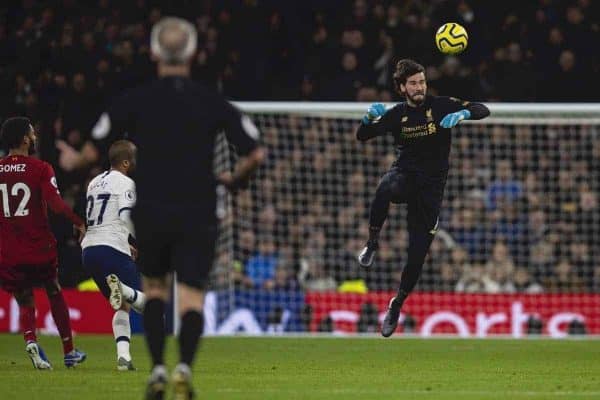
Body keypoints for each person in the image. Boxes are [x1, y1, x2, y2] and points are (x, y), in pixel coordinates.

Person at [89, 17, 265, 400]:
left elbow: (94, 140)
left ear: (154, 52)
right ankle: (184, 366)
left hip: (151, 208)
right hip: (198, 209)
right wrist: (235, 179)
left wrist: (71, 158)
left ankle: (156, 369)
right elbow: (255, 151)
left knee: (153, 291)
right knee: (191, 297)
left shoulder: (136, 99)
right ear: (192, 53)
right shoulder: (210, 100)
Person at [356, 59, 490, 337]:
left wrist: (464, 115)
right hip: (405, 178)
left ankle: (397, 304)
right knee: (385, 187)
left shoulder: (440, 106)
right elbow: (363, 135)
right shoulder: (396, 115)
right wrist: (368, 119)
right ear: (402, 87)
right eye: (414, 83)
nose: (419, 87)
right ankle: (371, 244)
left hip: (431, 193)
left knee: (416, 256)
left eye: (422, 82)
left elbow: (482, 109)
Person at [0, 117, 87, 368]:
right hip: (38, 246)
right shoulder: (40, 168)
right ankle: (69, 351)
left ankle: (30, 341)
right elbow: (57, 205)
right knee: (53, 289)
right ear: (25, 139)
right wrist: (78, 221)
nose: (35, 137)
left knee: (24, 297)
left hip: (8, 250)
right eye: (32, 133)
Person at [81, 140, 146, 371]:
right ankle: (124, 289)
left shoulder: (94, 182)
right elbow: (126, 215)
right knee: (147, 304)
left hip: (89, 250)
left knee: (121, 307)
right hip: (112, 247)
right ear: (126, 162)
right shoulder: (126, 182)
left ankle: (124, 358)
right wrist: (139, 242)